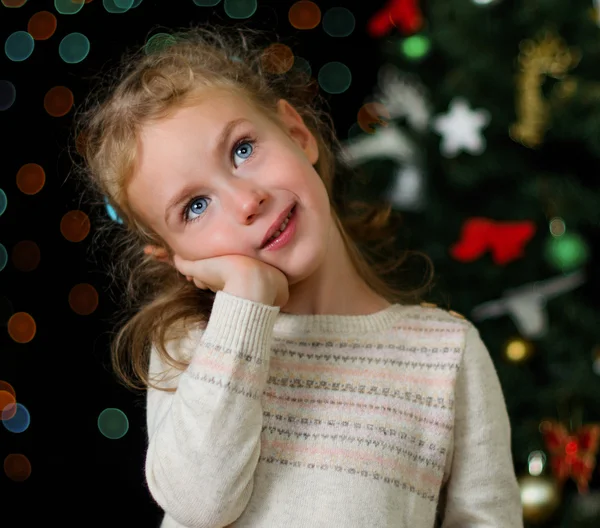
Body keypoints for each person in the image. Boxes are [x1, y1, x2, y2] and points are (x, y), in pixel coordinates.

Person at [74, 23, 523, 528]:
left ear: (296, 133)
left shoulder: (446, 353)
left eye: (242, 149)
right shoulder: (190, 349)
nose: (248, 201)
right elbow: (200, 505)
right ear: (172, 255)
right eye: (196, 206)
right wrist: (245, 302)